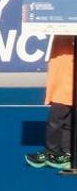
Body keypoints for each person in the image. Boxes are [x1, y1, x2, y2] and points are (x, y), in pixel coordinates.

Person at [25, 37, 74, 170]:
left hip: (67, 81)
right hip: (62, 74)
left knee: (56, 119)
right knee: (66, 119)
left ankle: (53, 152)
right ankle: (65, 152)